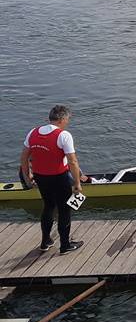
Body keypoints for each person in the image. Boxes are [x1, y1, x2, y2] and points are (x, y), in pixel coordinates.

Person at [19, 105, 85, 254]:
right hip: (59, 177)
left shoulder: (33, 132)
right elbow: (73, 162)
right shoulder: (64, 135)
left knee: (48, 206)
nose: (68, 122)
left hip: (40, 177)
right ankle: (65, 245)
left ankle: (45, 242)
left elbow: (24, 157)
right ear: (62, 119)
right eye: (67, 119)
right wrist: (77, 183)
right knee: (64, 210)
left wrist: (27, 175)